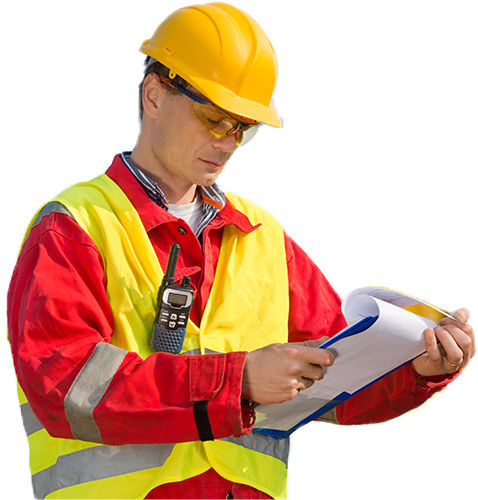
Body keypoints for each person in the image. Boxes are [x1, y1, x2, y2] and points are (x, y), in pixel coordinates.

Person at [6, 3, 475, 500]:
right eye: (214, 119)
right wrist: (239, 379)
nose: (228, 142)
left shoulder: (263, 239)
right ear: (154, 95)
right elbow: (64, 386)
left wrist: (417, 370)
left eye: (242, 128)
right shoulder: (72, 228)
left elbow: (337, 383)